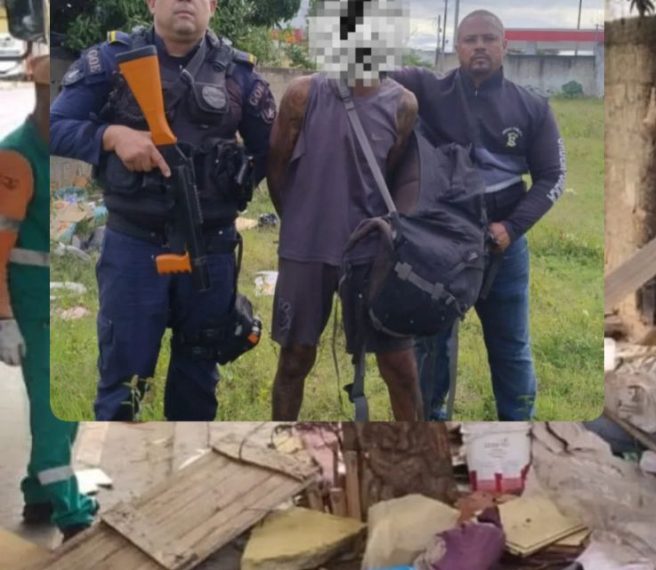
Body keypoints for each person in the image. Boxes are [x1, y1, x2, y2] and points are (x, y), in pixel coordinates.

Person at [50, 0, 274, 420]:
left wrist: (235, 178)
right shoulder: (111, 61)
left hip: (211, 248)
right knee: (123, 386)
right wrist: (112, 136)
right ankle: (117, 476)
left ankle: (186, 477)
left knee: (197, 381)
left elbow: (272, 152)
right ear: (152, 2)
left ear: (213, 6)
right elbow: (53, 125)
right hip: (134, 245)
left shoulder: (240, 75)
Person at [390, 9, 567, 421]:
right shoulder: (430, 91)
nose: (480, 47)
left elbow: (553, 177)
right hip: (439, 250)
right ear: (457, 48)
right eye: (470, 40)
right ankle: (427, 430)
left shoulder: (531, 108)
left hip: (503, 250)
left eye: (489, 39)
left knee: (511, 346)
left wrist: (511, 228)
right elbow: (368, 73)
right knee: (430, 342)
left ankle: (519, 431)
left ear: (505, 46)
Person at [266, 11, 422, 421]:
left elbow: (393, 171)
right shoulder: (302, 95)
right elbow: (277, 168)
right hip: (308, 246)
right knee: (295, 359)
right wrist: (302, 222)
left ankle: (416, 450)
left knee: (399, 367)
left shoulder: (403, 104)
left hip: (373, 254)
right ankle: (281, 442)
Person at [2, 55, 99, 541]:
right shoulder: (16, 157)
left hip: (67, 298)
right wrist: (3, 318)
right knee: (54, 412)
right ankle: (70, 511)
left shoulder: (64, 148)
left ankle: (38, 494)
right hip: (36, 305)